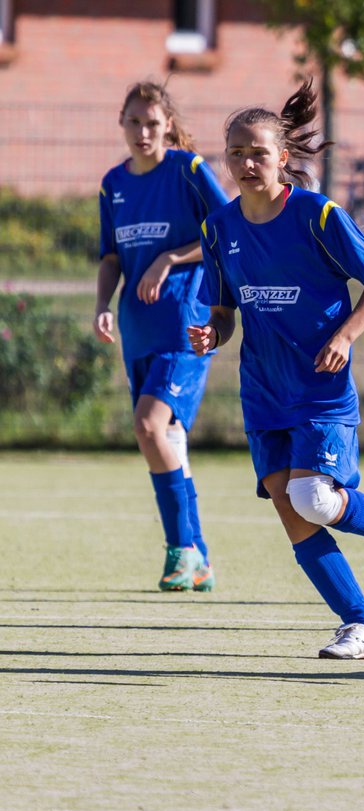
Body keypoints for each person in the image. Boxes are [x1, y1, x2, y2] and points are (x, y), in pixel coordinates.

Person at [188, 80, 364, 660]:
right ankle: (362, 625)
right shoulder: (219, 228)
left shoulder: (317, 215)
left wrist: (346, 336)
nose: (247, 163)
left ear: (283, 158)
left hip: (321, 390)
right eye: (236, 153)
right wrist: (212, 333)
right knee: (289, 505)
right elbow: (224, 309)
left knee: (316, 499)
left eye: (258, 152)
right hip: (263, 392)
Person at [95, 81, 229, 592]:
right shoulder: (112, 184)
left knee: (150, 427)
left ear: (168, 125)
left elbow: (225, 229)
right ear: (122, 123)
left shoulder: (188, 171)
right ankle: (199, 557)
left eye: (153, 122)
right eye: (134, 122)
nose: (143, 131)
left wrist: (171, 256)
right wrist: (102, 306)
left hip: (185, 324)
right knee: (168, 439)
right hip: (137, 327)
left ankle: (181, 551)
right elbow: (110, 256)